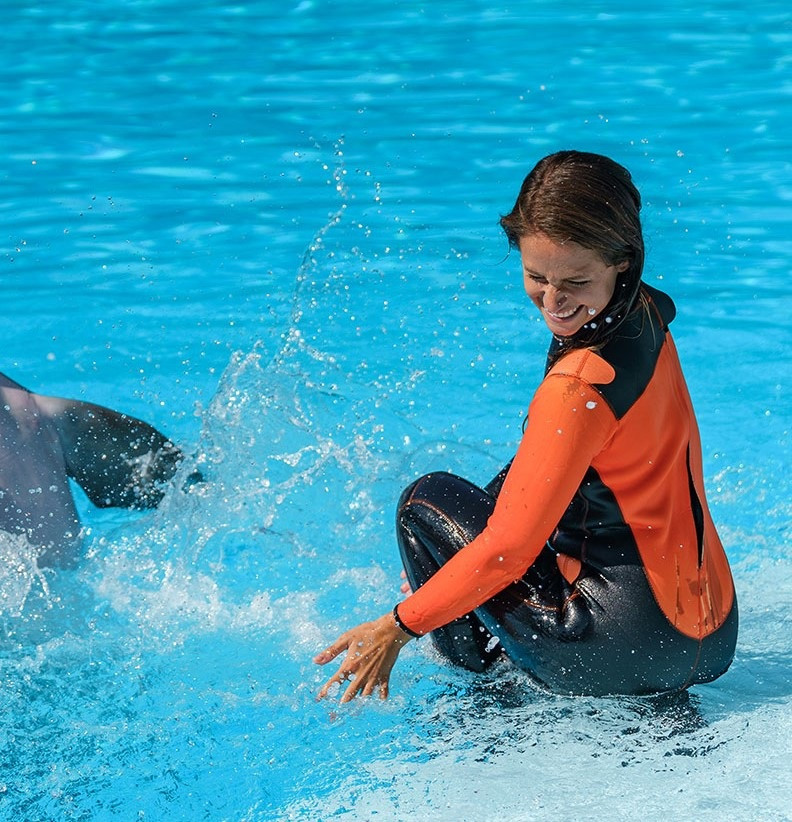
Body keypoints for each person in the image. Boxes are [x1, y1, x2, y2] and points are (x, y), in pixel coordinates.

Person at [314, 151, 737, 701]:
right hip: (710, 630)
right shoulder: (647, 313)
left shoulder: (576, 387)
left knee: (426, 503)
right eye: (536, 277)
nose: (555, 302)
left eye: (575, 281)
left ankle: (490, 688)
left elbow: (509, 549)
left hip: (618, 648)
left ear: (622, 262)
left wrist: (398, 626)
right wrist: (453, 569)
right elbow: (552, 466)